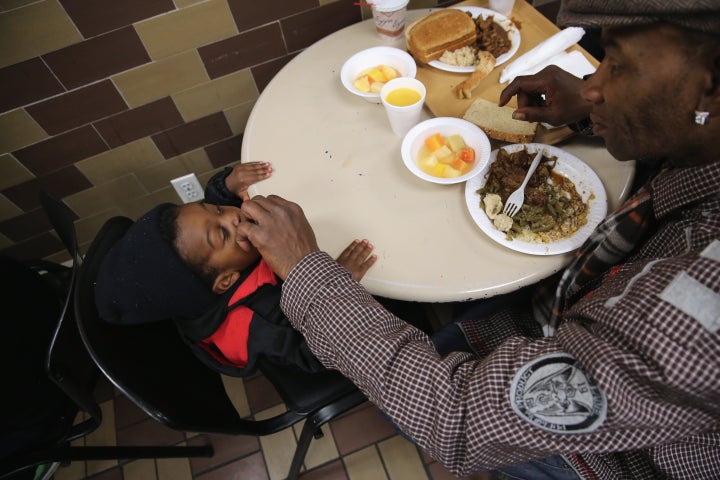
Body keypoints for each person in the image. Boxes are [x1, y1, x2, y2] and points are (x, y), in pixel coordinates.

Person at [231, 1, 720, 478]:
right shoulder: (701, 146)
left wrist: (303, 268)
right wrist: (592, 115)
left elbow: (457, 418)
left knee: (414, 382)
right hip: (578, 304)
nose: (592, 85)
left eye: (620, 67)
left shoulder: (698, 314)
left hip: (621, 459)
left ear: (712, 90)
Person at [94, 162, 376, 376]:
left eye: (212, 208)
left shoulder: (218, 258)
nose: (232, 215)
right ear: (227, 281)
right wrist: (334, 283)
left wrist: (226, 185)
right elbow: (313, 355)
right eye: (222, 233)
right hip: (329, 344)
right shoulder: (259, 319)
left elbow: (216, 216)